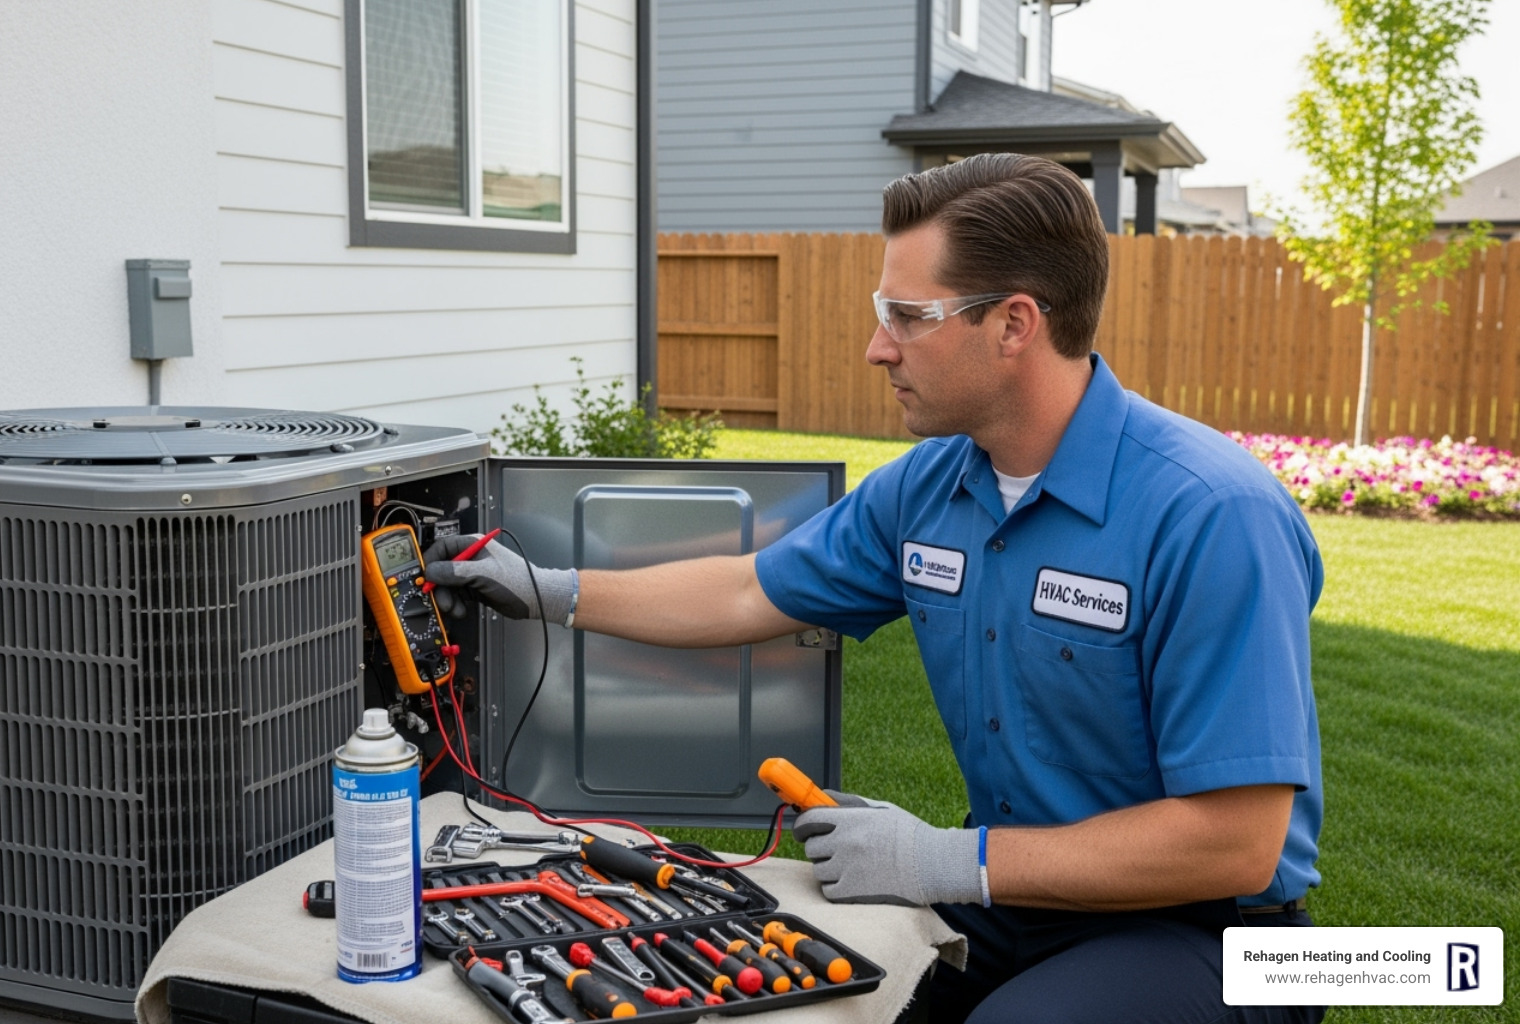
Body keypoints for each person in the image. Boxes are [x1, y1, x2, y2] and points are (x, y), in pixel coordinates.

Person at [426, 153, 1326, 1024]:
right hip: (1018, 898)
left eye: (907, 315)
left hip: (1216, 934)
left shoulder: (1211, 515)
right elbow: (748, 591)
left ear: (1015, 325)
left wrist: (948, 861)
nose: (874, 348)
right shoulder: (933, 486)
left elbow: (1236, 840)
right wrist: (549, 589)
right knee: (771, 981)